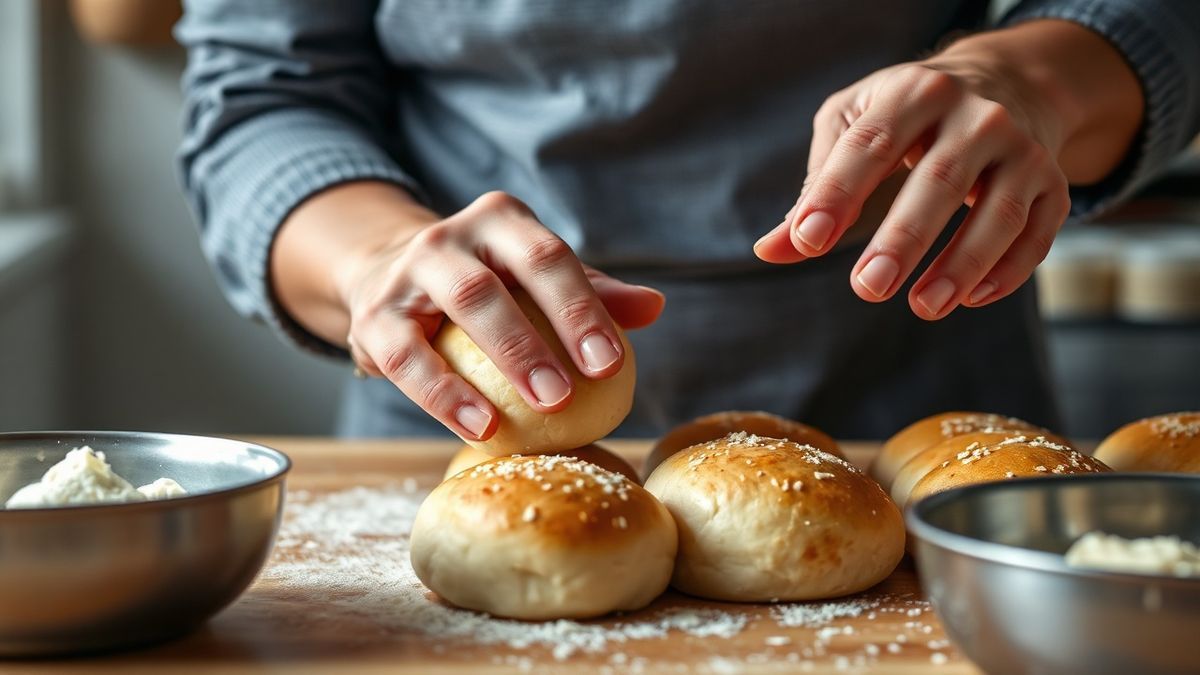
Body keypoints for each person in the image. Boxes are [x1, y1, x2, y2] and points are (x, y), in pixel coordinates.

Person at [176, 1, 1199, 440]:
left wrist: (1026, 81)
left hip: (913, 393)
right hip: (465, 418)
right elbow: (261, 95)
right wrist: (380, 256)